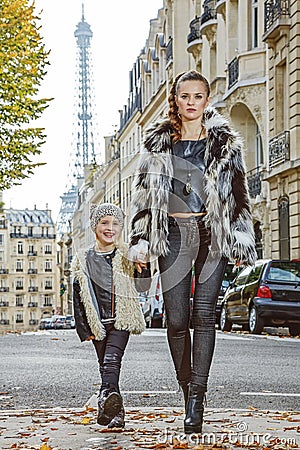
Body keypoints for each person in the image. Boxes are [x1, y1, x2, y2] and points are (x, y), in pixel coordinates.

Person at [129, 70, 257, 434]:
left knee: (204, 315)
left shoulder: (225, 144)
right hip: (172, 233)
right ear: (176, 99)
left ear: (206, 100)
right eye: (184, 96)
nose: (191, 102)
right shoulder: (157, 144)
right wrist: (141, 240)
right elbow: (143, 196)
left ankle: (197, 396)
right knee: (175, 320)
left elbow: (238, 194)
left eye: (197, 96)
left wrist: (240, 239)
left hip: (211, 232)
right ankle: (187, 388)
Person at [72, 203, 145, 429]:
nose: (110, 228)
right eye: (104, 222)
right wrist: (84, 329)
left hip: (121, 320)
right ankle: (114, 413)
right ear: (95, 226)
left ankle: (105, 402)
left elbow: (143, 285)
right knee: (105, 366)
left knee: (112, 362)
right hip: (97, 323)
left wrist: (145, 266)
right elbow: (77, 297)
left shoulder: (126, 254)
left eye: (115, 223)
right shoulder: (83, 258)